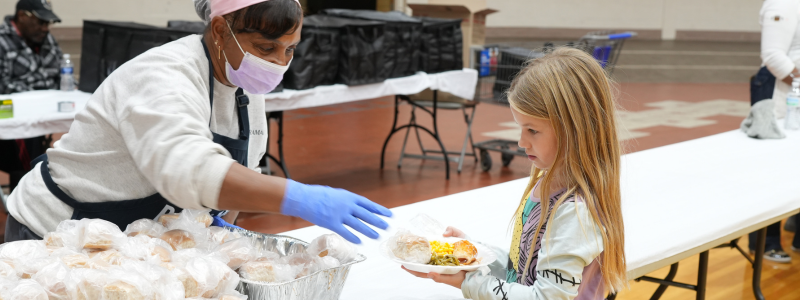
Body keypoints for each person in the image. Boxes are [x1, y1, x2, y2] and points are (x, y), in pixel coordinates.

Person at [4, 0, 393, 245]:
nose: (278, 63)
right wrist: (297, 197)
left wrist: (215, 234)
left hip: (132, 239)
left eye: (289, 50)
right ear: (221, 29)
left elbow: (243, 172)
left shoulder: (244, 85)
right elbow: (186, 167)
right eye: (266, 48)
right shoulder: (163, 74)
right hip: (56, 230)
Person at [402, 47, 627, 299]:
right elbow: (519, 270)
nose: (521, 142)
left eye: (533, 130)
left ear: (574, 131)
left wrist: (471, 283)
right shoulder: (545, 184)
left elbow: (545, 297)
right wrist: (472, 253)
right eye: (521, 128)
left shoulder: (575, 213)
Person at [747, 0, 800, 263]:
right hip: (779, 94)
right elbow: (773, 56)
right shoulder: (783, 3)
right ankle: (765, 243)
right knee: (771, 171)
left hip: (794, 93)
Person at [0, 0, 62, 194]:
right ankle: (24, 193)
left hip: (43, 108)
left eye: (48, 23)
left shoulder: (46, 39)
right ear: (21, 16)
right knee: (27, 137)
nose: (45, 28)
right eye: (40, 22)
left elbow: (61, 74)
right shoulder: (2, 41)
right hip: (11, 112)